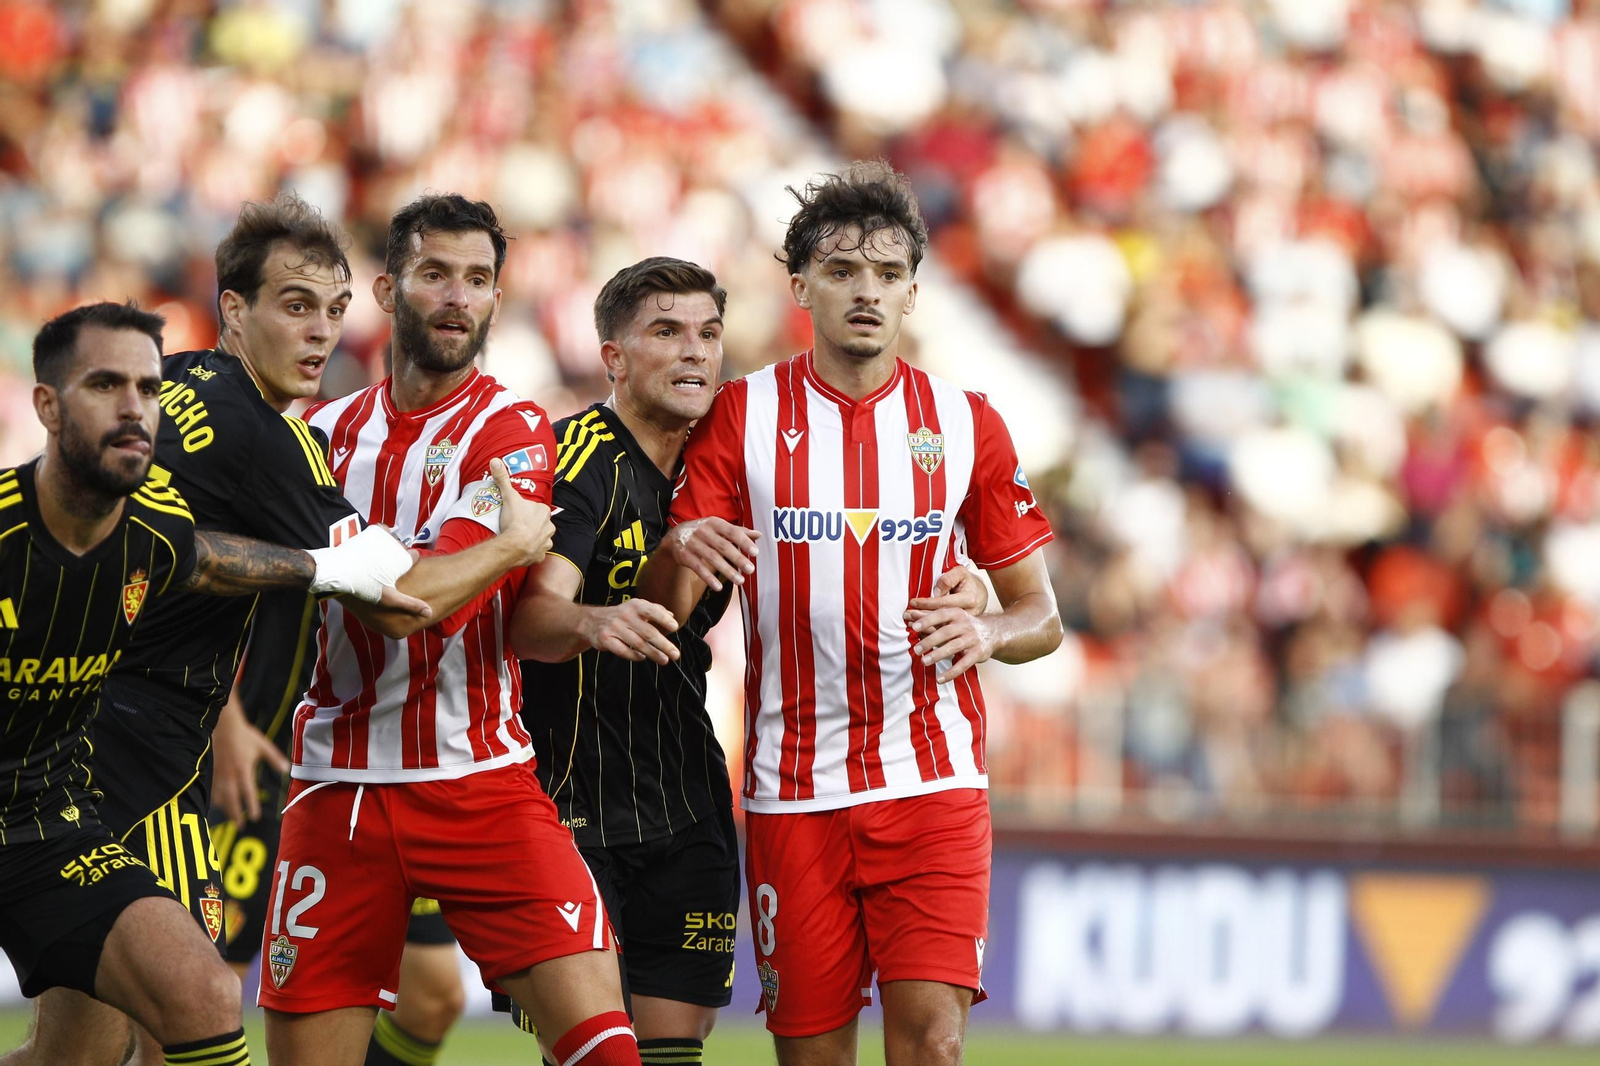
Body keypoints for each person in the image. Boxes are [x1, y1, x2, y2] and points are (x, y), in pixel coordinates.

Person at [11, 196, 456, 1066]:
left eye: (335, 310)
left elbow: (156, 559)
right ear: (235, 312)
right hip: (134, 767)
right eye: (295, 306)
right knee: (199, 1001)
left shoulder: (164, 381)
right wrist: (514, 540)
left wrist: (224, 719)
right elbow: (393, 595)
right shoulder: (268, 441)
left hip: (95, 739)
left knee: (83, 1053)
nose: (321, 332)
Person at [638, 161, 1064, 1066]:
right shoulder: (740, 417)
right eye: (840, 272)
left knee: (933, 1047)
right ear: (802, 288)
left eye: (885, 273)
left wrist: (989, 627)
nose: (865, 292)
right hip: (794, 792)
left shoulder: (966, 424)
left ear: (913, 289)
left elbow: (1042, 616)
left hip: (932, 785)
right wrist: (679, 554)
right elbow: (671, 607)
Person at [260, 193, 639, 1066]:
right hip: (337, 788)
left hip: (479, 782)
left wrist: (450, 569)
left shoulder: (512, 432)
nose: (458, 297)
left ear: (497, 299)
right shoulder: (315, 436)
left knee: (606, 1053)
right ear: (389, 292)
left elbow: (423, 605)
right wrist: (505, 545)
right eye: (436, 275)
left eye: (478, 280)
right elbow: (406, 605)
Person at [207, 592, 467, 1066]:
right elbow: (195, 570)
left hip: (389, 770)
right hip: (264, 769)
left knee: (433, 995)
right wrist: (222, 718)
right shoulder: (301, 516)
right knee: (202, 993)